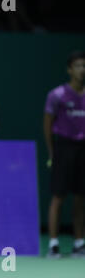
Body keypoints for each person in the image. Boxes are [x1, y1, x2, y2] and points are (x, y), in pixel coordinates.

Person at [44, 50, 85, 258]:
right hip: (64, 148)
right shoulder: (57, 95)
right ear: (70, 70)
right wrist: (52, 153)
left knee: (80, 198)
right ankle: (53, 244)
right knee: (58, 197)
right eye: (78, 66)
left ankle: (79, 243)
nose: (82, 70)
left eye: (84, 65)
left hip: (83, 148)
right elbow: (48, 125)